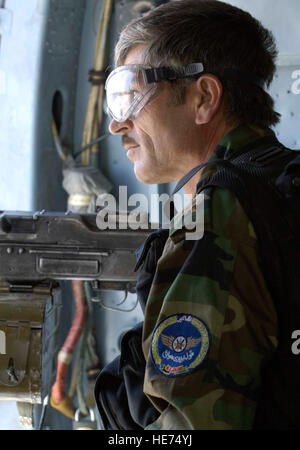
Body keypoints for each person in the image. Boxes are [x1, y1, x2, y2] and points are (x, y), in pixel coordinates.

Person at [94, 0, 297, 430]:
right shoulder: (282, 184)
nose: (117, 124)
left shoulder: (220, 216)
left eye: (132, 96)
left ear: (204, 97)